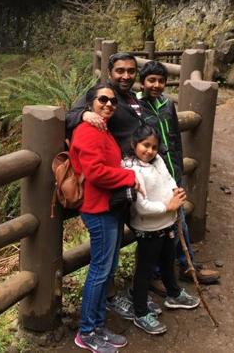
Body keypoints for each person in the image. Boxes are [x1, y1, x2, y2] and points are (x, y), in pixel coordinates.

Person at [135, 61, 220, 289]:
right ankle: (155, 274)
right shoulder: (137, 107)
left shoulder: (166, 104)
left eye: (161, 81)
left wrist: (179, 169)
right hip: (153, 176)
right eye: (151, 80)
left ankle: (186, 264)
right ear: (142, 82)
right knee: (158, 227)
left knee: (179, 221)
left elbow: (174, 137)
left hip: (172, 171)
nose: (156, 85)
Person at [70, 83, 138, 353]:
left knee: (107, 268)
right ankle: (86, 332)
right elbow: (96, 172)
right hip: (97, 209)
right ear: (90, 104)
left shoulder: (103, 129)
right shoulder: (87, 131)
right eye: (102, 100)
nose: (108, 104)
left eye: (112, 101)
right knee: (99, 272)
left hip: (108, 207)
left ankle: (98, 326)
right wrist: (131, 177)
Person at [123, 124, 200, 335]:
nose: (149, 151)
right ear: (134, 144)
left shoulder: (157, 160)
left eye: (154, 147)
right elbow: (141, 207)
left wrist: (176, 191)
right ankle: (140, 311)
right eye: (145, 145)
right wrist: (168, 206)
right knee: (145, 270)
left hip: (168, 223)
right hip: (148, 228)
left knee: (167, 261)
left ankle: (173, 293)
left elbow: (167, 179)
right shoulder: (131, 169)